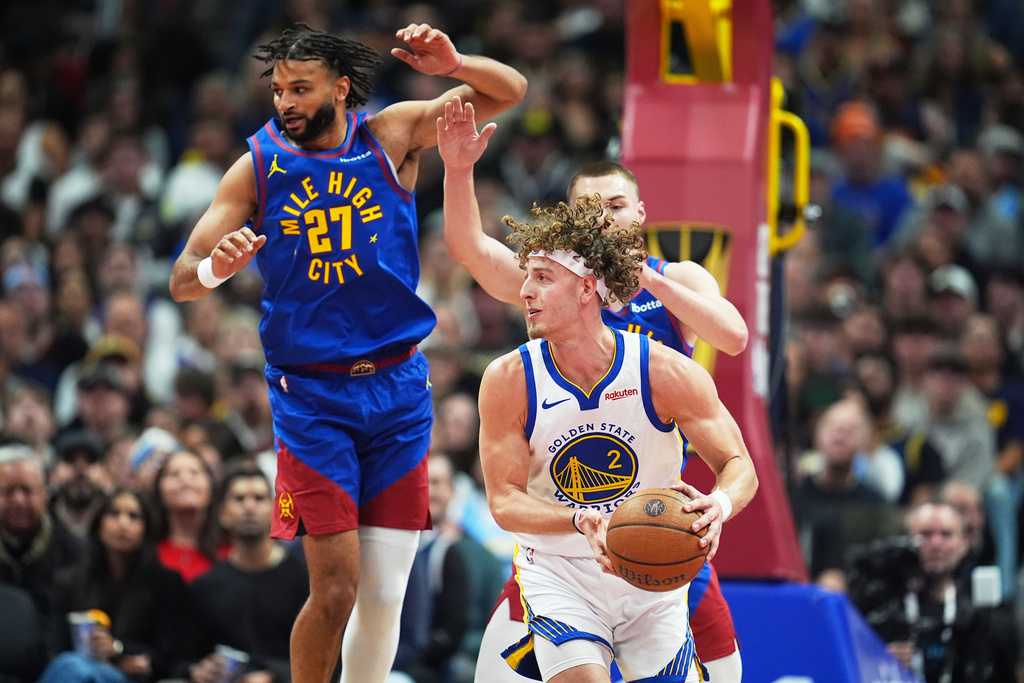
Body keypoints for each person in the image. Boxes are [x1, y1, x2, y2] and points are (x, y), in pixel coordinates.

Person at [168, 23, 526, 683]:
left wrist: (455, 64)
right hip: (312, 398)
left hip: (397, 389)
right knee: (335, 590)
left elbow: (510, 91)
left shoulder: (390, 134)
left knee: (386, 595)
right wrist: (218, 268)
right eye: (278, 91)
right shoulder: (258, 164)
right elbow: (182, 278)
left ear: (339, 88)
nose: (285, 103)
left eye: (300, 89)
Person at [436, 96, 749, 681]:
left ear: (641, 212)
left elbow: (733, 336)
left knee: (725, 669)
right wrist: (457, 170)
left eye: (617, 206)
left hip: (654, 514)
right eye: (590, 208)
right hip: (562, 529)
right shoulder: (553, 281)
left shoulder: (674, 283)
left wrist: (640, 275)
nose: (604, 218)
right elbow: (470, 247)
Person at [847, 501, 1019, 683]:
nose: (936, 544)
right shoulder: (877, 612)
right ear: (906, 540)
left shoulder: (985, 620)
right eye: (925, 535)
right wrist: (877, 665)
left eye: (946, 534)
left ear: (964, 543)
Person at [36, 487, 190, 683]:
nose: (122, 524)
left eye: (134, 516)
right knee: (72, 665)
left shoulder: (166, 583)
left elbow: (167, 655)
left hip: (131, 678)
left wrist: (119, 649)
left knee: (74, 667)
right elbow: (54, 648)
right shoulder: (70, 581)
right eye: (113, 514)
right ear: (99, 524)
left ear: (147, 529)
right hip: (76, 670)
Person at [179, 463, 309, 683]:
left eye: (259, 498)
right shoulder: (205, 587)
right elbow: (182, 658)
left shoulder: (305, 581)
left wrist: (274, 676)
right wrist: (197, 670)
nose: (249, 507)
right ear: (222, 513)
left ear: (276, 510)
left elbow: (330, 658)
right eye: (239, 499)